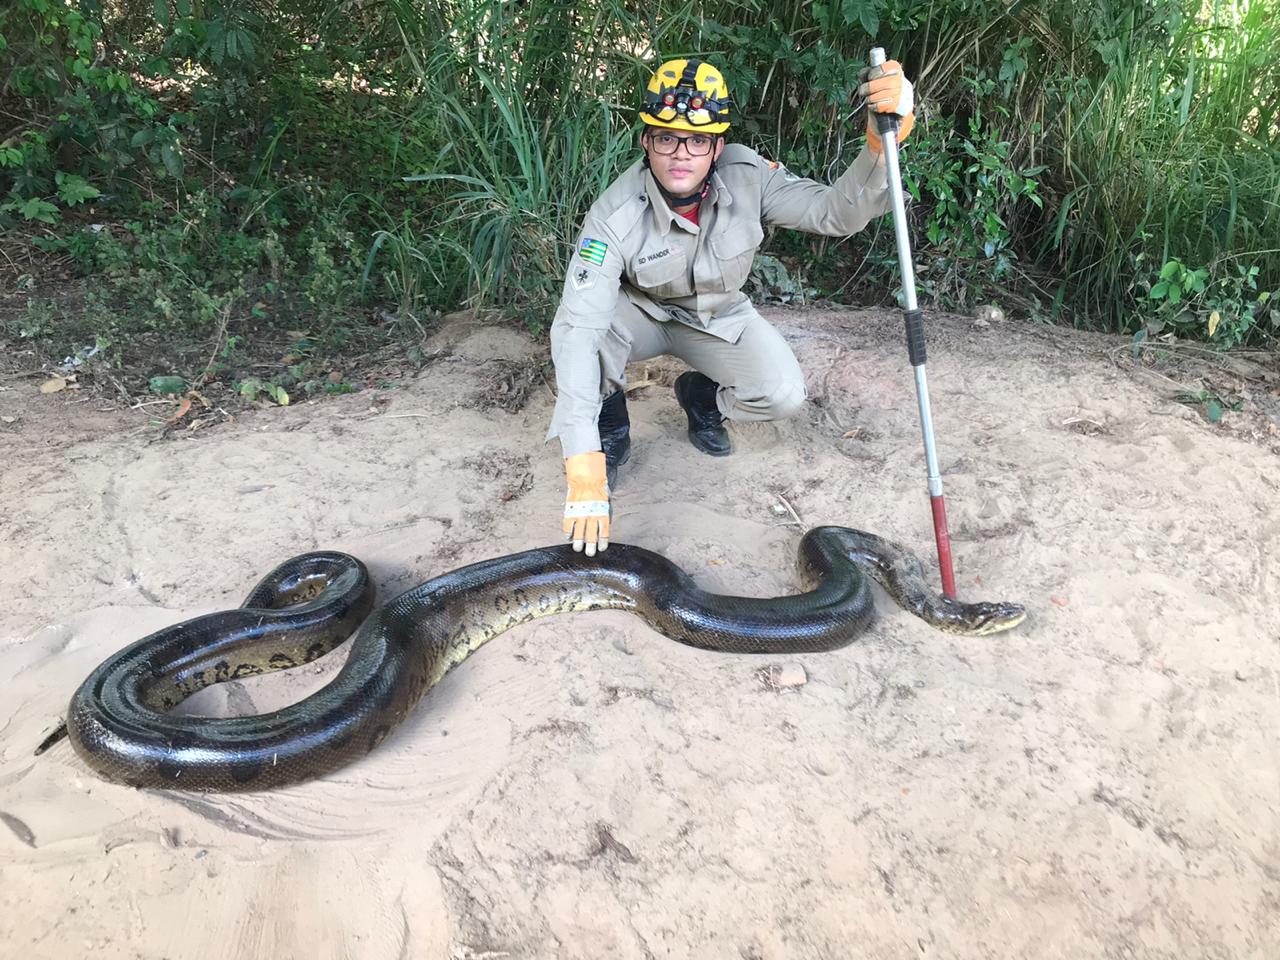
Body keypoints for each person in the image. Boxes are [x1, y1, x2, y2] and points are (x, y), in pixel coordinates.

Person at [548, 56, 916, 555]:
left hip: (717, 316)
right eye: (665, 137)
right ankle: (609, 425)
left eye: (697, 140)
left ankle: (701, 397)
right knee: (589, 338)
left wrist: (879, 144)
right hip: (641, 315)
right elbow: (577, 330)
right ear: (646, 140)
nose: (681, 153)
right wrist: (583, 466)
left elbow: (836, 213)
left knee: (783, 393)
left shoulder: (749, 176)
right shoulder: (614, 214)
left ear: (718, 146)